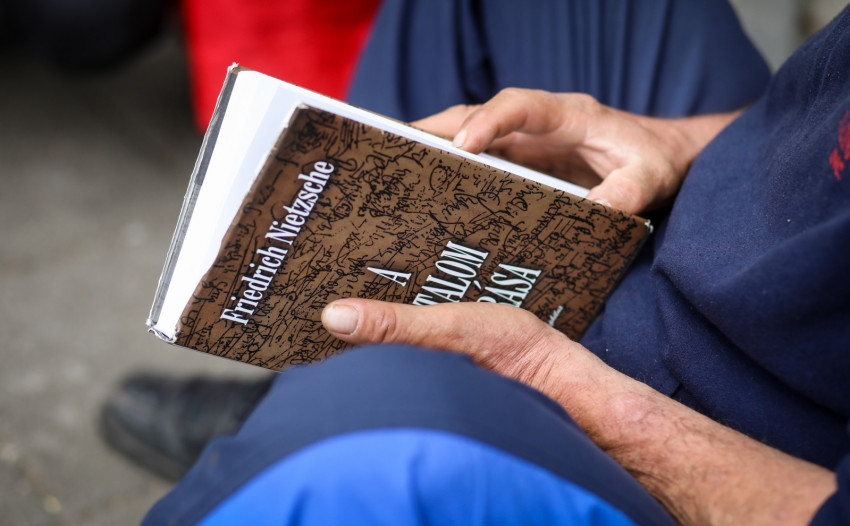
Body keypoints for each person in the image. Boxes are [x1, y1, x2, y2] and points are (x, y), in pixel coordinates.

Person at [101, 0, 772, 482]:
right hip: (759, 178)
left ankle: (330, 416)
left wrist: (574, 392)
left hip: (740, 418)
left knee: (330, 453)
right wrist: (675, 144)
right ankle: (324, 377)